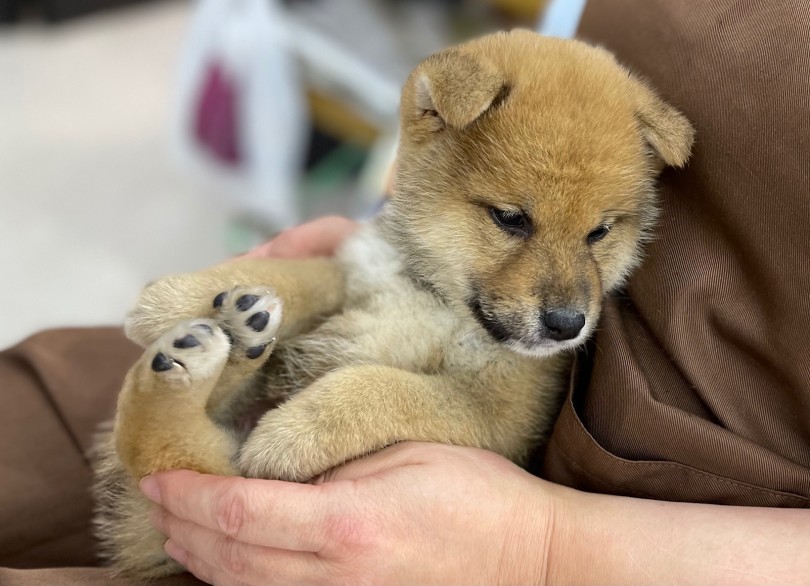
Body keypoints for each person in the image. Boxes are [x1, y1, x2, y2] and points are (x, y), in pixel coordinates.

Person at [2, 0, 809, 584]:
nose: (567, 297)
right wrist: (399, 197)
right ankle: (169, 411)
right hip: (297, 369)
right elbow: (505, 91)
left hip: (617, 528)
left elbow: (487, 415)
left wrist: (548, 550)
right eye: (512, 222)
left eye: (603, 236)